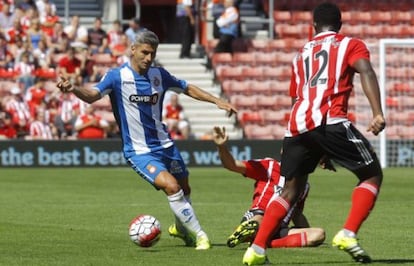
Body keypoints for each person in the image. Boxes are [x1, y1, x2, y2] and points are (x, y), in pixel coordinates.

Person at [57, 30, 237, 250]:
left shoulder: (159, 75)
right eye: (145, 52)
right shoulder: (116, 76)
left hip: (165, 144)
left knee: (184, 188)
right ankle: (200, 235)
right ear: (133, 49)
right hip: (139, 150)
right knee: (171, 186)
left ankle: (180, 229)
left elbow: (187, 87)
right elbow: (93, 95)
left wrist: (217, 101)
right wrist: (73, 88)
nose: (148, 58)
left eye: (152, 53)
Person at [242, 3, 386, 265]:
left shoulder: (301, 54)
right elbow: (366, 70)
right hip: (329, 120)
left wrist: (318, 148)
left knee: (289, 191)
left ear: (313, 26)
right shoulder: (350, 44)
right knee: (372, 174)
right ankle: (348, 234)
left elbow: (296, 96)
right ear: (340, 24)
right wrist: (377, 112)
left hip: (297, 125)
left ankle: (257, 249)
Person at [212, 126, 326, 249]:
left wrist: (306, 231)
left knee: (318, 235)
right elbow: (232, 165)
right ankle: (251, 231)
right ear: (283, 152)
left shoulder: (304, 186)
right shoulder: (269, 166)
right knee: (258, 221)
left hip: (279, 228)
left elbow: (297, 215)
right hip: (258, 216)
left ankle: (266, 243)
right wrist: (221, 147)